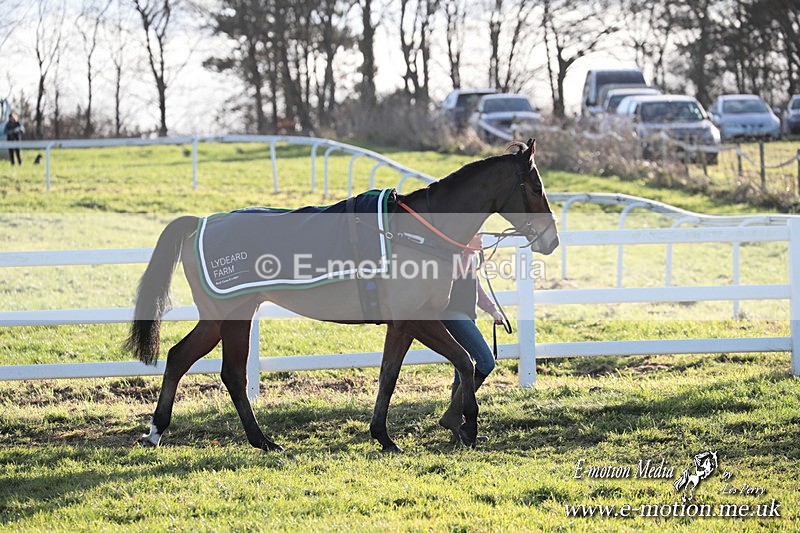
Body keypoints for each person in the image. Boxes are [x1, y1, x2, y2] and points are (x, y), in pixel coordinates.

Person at [438, 233, 505, 438]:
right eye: (477, 234)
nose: (482, 237)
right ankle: (453, 415)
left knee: (461, 370)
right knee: (486, 361)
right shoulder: (456, 255)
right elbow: (453, 277)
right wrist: (466, 251)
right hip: (452, 313)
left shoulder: (471, 257)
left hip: (467, 313)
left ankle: (458, 428)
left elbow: (476, 287)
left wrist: (492, 310)